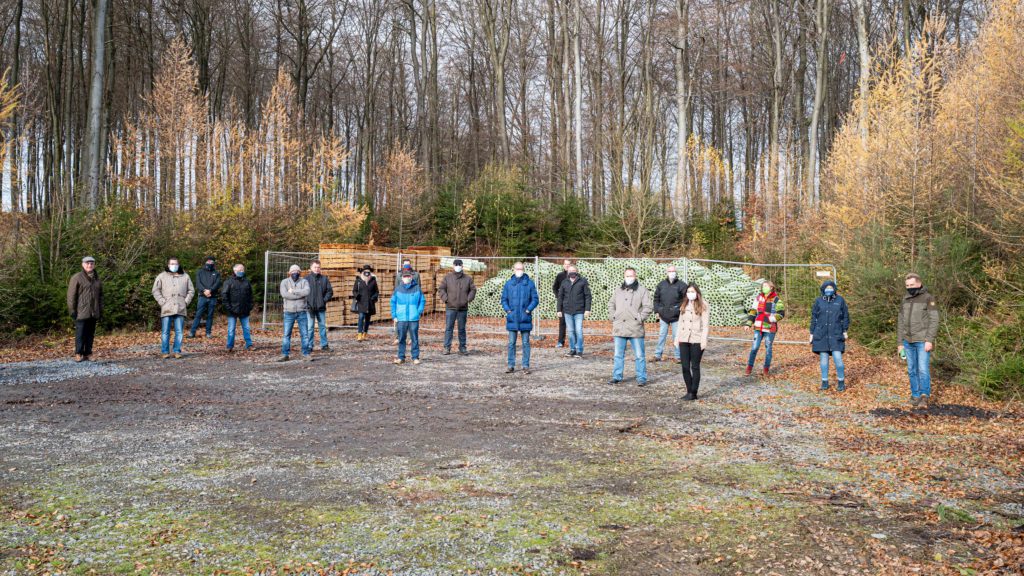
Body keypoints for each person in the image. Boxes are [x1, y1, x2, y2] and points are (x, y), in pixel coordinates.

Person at [897, 273, 939, 408]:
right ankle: (915, 395)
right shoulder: (905, 299)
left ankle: (924, 396)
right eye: (907, 286)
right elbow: (900, 322)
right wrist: (899, 343)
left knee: (923, 369)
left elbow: (934, 319)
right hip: (907, 341)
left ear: (919, 284)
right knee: (911, 369)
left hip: (922, 340)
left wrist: (929, 339)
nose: (909, 288)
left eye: (912, 285)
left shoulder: (928, 298)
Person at [608, 267, 653, 386]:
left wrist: (640, 318)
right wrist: (613, 316)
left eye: (631, 275)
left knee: (639, 355)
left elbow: (648, 307)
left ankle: (641, 378)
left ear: (635, 276)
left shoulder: (642, 290)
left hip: (635, 327)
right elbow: (611, 304)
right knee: (618, 354)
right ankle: (617, 376)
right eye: (627, 276)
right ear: (624, 276)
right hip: (619, 327)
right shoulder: (618, 290)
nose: (629, 278)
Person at [810, 280, 850, 392]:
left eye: (831, 288)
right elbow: (814, 317)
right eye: (826, 288)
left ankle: (841, 381)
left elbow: (845, 316)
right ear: (823, 289)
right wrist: (811, 333)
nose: (829, 290)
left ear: (834, 289)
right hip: (821, 334)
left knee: (838, 359)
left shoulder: (840, 300)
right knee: (823, 360)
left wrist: (845, 330)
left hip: (836, 333)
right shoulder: (818, 301)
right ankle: (824, 382)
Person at [152, 257, 195, 359]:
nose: (174, 265)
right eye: (172, 263)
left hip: (180, 307)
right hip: (167, 307)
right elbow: (155, 290)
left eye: (175, 263)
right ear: (168, 265)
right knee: (165, 331)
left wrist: (185, 302)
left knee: (179, 331)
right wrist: (162, 301)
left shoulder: (185, 276)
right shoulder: (161, 276)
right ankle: (165, 351)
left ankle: (177, 351)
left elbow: (191, 290)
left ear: (179, 265)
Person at [501, 262, 539, 374]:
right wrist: (508, 310)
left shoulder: (530, 284)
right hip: (512, 318)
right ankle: (511, 365)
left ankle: (525, 365)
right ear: (513, 269)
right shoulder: (508, 284)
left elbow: (535, 299)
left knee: (526, 343)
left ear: (524, 269)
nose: (519, 270)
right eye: (517, 268)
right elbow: (504, 299)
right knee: (511, 343)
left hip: (525, 318)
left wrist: (528, 310)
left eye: (521, 269)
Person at [675, 283, 710, 400]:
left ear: (697, 293)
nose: (690, 294)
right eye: (688, 292)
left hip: (696, 339)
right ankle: (689, 390)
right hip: (684, 339)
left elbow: (705, 326)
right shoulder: (684, 304)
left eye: (693, 291)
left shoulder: (703, 305)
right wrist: (677, 338)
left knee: (695, 366)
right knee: (685, 366)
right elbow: (680, 323)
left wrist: (703, 341)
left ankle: (694, 392)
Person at [745, 280, 785, 377]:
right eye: (763, 286)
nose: (764, 287)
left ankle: (766, 369)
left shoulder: (776, 299)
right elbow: (753, 311)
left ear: (771, 287)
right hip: (758, 327)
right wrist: (748, 323)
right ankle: (749, 367)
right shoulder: (758, 298)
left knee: (768, 349)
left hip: (770, 328)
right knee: (754, 347)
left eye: (766, 286)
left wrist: (771, 319)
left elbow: (781, 314)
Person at [67, 255, 103, 362]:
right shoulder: (77, 277)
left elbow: (101, 296)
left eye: (91, 263)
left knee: (90, 333)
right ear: (83, 265)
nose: (89, 265)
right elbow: (71, 295)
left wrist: (100, 310)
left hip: (94, 311)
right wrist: (72, 310)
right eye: (87, 263)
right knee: (80, 333)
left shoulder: (97, 279)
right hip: (81, 311)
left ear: (94, 265)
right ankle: (78, 353)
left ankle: (88, 353)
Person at [437, 259, 476, 355]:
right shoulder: (447, 277)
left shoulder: (468, 278)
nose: (458, 266)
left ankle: (462, 347)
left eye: (459, 265)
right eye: (456, 265)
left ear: (462, 266)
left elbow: (473, 290)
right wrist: (446, 299)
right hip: (450, 307)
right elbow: (441, 289)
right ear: (453, 266)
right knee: (449, 328)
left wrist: (468, 299)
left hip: (463, 308)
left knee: (462, 329)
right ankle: (447, 347)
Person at [556, 264, 591, 358]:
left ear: (577, 271)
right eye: (570, 270)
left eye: (573, 270)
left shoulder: (583, 281)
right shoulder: (564, 282)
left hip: (579, 310)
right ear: (567, 271)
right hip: (567, 311)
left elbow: (588, 296)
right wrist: (559, 309)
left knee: (578, 330)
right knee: (571, 331)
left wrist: (587, 309)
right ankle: (572, 349)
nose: (571, 272)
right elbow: (560, 296)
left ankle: (579, 350)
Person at [391, 269, 425, 365]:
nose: (407, 278)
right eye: (405, 276)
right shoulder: (398, 289)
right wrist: (394, 315)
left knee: (414, 338)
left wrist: (419, 311)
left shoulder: (417, 288)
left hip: (413, 318)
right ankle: (401, 357)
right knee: (401, 338)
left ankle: (415, 357)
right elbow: (393, 302)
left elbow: (422, 300)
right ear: (402, 278)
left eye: (408, 276)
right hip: (401, 318)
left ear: (411, 277)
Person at [278, 264, 311, 362]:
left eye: (297, 271)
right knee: (286, 334)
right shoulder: (284, 282)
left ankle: (306, 354)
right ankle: (285, 354)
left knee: (305, 334)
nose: (295, 273)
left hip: (302, 311)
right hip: (289, 312)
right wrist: (299, 294)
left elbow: (307, 292)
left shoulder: (304, 281)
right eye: (293, 272)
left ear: (299, 272)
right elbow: (284, 294)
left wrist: (293, 291)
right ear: (289, 273)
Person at [653, 265, 685, 363]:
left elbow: (685, 300)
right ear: (667, 272)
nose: (672, 273)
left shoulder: (682, 285)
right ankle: (657, 355)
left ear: (676, 272)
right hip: (663, 315)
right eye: (670, 271)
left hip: (676, 316)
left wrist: (679, 309)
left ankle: (678, 356)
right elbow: (656, 299)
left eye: (673, 271)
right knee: (662, 335)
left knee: (676, 336)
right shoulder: (661, 285)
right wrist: (657, 311)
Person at [221, 263, 255, 352]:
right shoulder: (228, 282)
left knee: (246, 329)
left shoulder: (246, 282)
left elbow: (251, 296)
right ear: (234, 270)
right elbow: (224, 296)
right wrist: (229, 308)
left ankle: (249, 345)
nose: (241, 271)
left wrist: (250, 306)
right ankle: (229, 346)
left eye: (242, 270)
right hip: (232, 310)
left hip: (244, 310)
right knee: (231, 329)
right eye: (239, 270)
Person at [188, 256, 222, 339]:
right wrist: (204, 291)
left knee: (210, 315)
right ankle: (192, 332)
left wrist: (210, 290)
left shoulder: (216, 273)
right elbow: (198, 283)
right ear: (206, 262)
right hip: (202, 297)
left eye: (212, 262)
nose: (210, 263)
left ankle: (208, 333)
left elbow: (217, 284)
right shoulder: (200, 272)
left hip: (212, 297)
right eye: (208, 261)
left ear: (213, 263)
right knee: (198, 315)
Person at [305, 260, 334, 350]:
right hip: (310, 308)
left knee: (322, 327)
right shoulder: (306, 279)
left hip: (321, 308)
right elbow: (303, 293)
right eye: (315, 267)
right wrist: (307, 303)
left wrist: (323, 300)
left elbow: (330, 291)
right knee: (310, 328)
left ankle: (324, 345)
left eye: (318, 267)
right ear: (311, 268)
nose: (317, 269)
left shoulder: (324, 279)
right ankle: (309, 345)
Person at [394, 257, 420, 345]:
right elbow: (396, 288)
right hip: (401, 299)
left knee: (411, 320)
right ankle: (398, 337)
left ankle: (411, 338)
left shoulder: (415, 274)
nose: (407, 265)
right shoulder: (399, 275)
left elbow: (418, 287)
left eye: (408, 263)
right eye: (405, 263)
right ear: (402, 264)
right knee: (400, 320)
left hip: (412, 299)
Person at [351, 264, 379, 342]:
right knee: (361, 317)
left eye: (368, 271)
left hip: (370, 303)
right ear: (363, 272)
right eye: (365, 271)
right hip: (361, 302)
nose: (367, 272)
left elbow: (376, 291)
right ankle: (359, 334)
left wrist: (373, 298)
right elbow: (354, 290)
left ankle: (365, 333)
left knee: (367, 319)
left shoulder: (373, 280)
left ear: (370, 272)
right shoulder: (358, 280)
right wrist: (357, 296)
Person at [552, 259, 572, 348]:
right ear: (563, 265)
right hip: (563, 303)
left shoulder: (576, 276)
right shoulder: (560, 276)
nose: (567, 266)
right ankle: (560, 342)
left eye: (568, 264)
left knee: (574, 324)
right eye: (565, 264)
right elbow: (555, 287)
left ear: (571, 265)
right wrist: (558, 296)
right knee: (562, 323)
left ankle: (574, 343)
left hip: (573, 303)